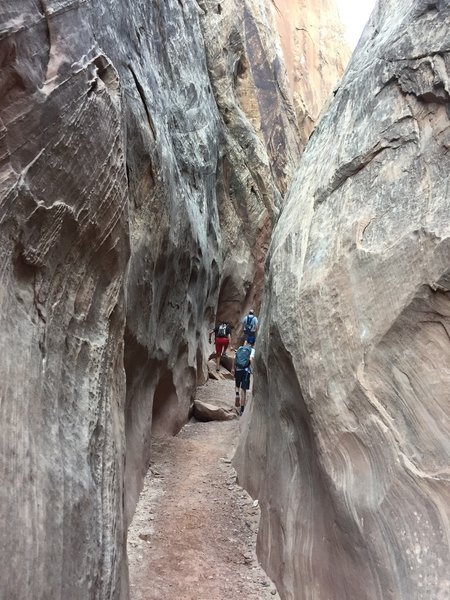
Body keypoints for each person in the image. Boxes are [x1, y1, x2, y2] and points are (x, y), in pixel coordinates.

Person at [232, 339, 255, 415]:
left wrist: (233, 368)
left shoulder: (240, 348)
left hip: (238, 369)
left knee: (237, 384)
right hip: (246, 371)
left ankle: (237, 394)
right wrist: (253, 369)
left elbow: (234, 358)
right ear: (253, 343)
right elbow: (250, 359)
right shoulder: (252, 350)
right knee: (244, 389)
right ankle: (242, 410)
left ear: (247, 342)